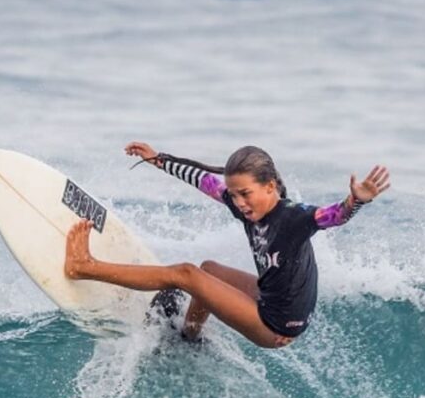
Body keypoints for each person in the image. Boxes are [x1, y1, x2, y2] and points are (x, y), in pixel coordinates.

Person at [63, 142, 390, 349]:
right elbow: (202, 179)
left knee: (187, 275)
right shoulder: (243, 204)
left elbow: (333, 216)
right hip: (272, 297)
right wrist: (157, 159)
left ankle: (83, 267)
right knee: (209, 271)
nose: (239, 203)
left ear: (270, 186)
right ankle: (189, 338)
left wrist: (356, 201)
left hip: (276, 324)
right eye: (234, 195)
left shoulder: (293, 218)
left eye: (245, 194)